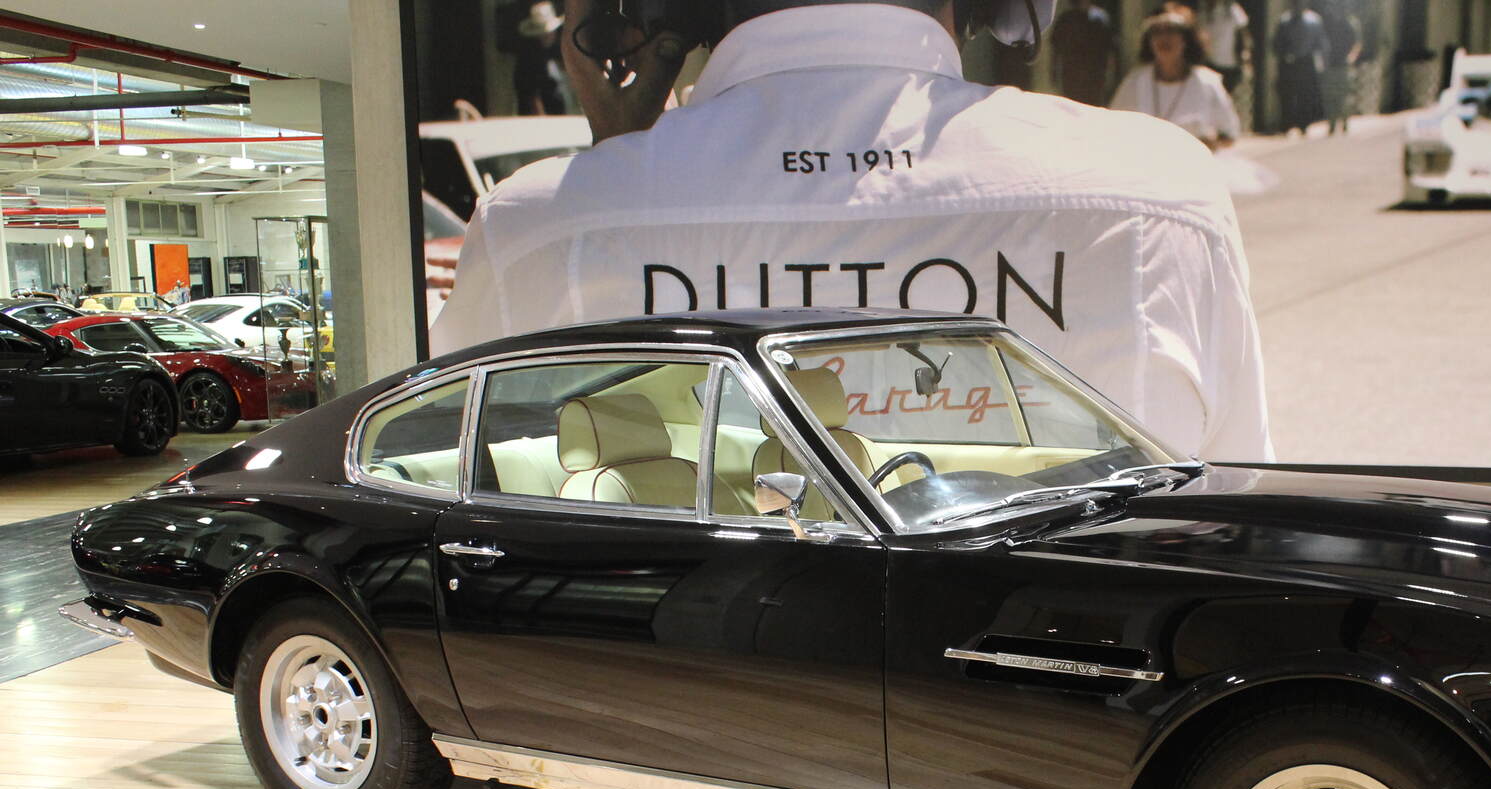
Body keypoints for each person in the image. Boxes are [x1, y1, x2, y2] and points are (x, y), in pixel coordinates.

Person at [432, 0, 1273, 464]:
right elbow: (1235, 516)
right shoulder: (1159, 194)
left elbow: (464, 496)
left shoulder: (532, 229)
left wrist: (615, 174)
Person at [1110, 13, 1239, 153]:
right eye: (1157, 32)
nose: (1164, 38)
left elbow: (1230, 134)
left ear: (1186, 39)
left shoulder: (1207, 82)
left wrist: (1210, 143)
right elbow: (1112, 127)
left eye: (1171, 31)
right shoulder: (1135, 81)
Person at [1271, 3, 1328, 138]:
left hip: (1306, 61)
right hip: (1289, 62)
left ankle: (1304, 123)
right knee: (1287, 93)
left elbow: (1320, 42)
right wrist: (1284, 54)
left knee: (1306, 93)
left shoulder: (1313, 20)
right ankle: (1287, 124)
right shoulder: (1284, 20)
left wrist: (1320, 61)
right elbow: (1277, 42)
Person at [1048, 0, 1120, 106]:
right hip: (1072, 75)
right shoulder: (1066, 19)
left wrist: (1110, 74)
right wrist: (1054, 72)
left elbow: (1110, 49)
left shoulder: (1100, 17)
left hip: (1095, 76)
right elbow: (1056, 49)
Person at [1189, 1, 1249, 94]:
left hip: (1230, 66)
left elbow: (1242, 34)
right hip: (1209, 65)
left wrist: (1242, 56)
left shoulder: (1232, 10)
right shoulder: (1201, 12)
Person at [1320, 1, 1360, 134]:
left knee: (1343, 95)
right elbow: (1323, 43)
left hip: (1343, 65)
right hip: (1330, 64)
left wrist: (1351, 58)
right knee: (1329, 96)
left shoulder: (1349, 24)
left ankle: (1344, 122)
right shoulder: (1328, 25)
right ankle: (1331, 124)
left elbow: (1356, 43)